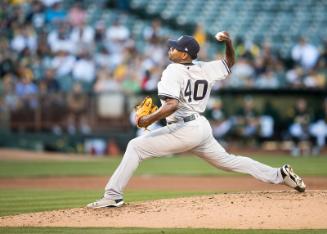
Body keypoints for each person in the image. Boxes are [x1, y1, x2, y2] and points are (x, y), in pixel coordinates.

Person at [87, 32, 306, 208]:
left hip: (184, 129)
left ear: (184, 55)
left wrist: (147, 121)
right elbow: (229, 61)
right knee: (229, 161)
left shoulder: (173, 70)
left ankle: (113, 195)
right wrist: (228, 42)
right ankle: (279, 174)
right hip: (200, 127)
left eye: (175, 48)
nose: (170, 49)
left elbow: (171, 105)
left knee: (135, 146)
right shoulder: (205, 68)